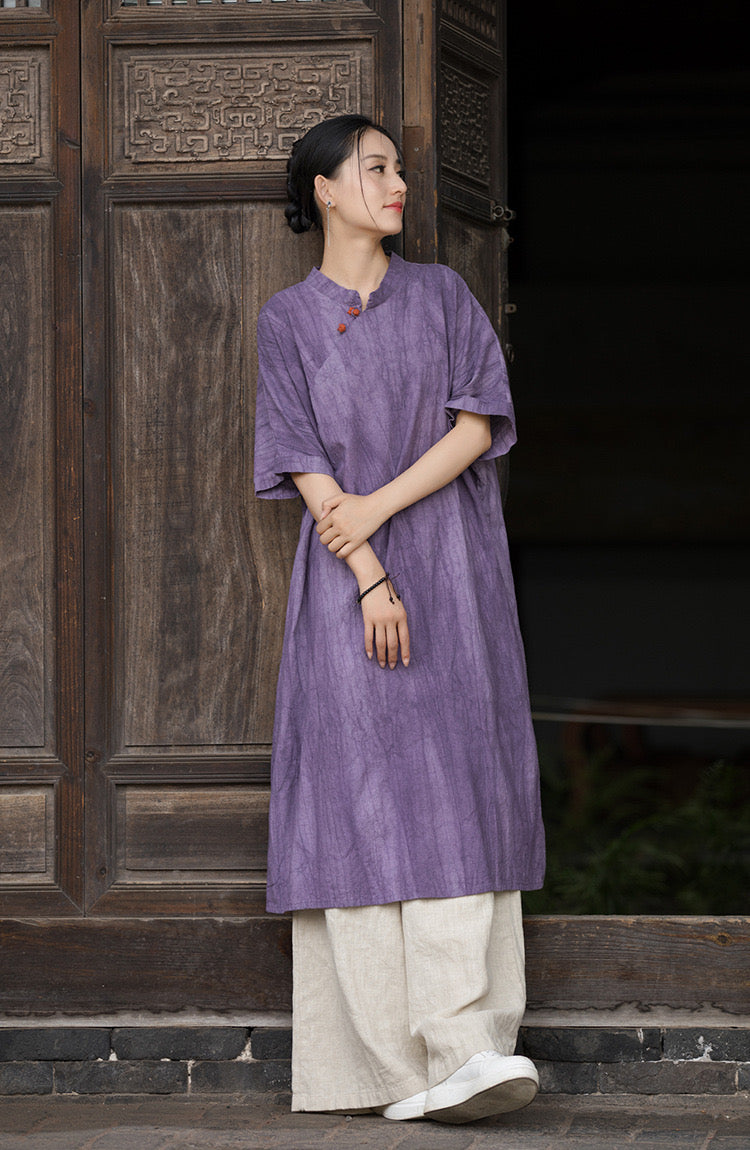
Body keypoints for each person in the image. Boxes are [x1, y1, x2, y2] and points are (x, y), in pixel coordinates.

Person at [254, 113, 545, 1124]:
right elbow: (302, 460)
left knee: (459, 787)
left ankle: (469, 1046)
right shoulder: (286, 321)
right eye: (374, 168)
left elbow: (477, 423)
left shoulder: (443, 296)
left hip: (454, 572)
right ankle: (389, 1072)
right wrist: (370, 569)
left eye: (397, 169)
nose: (397, 184)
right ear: (325, 190)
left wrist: (379, 508)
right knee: (359, 795)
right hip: (350, 584)